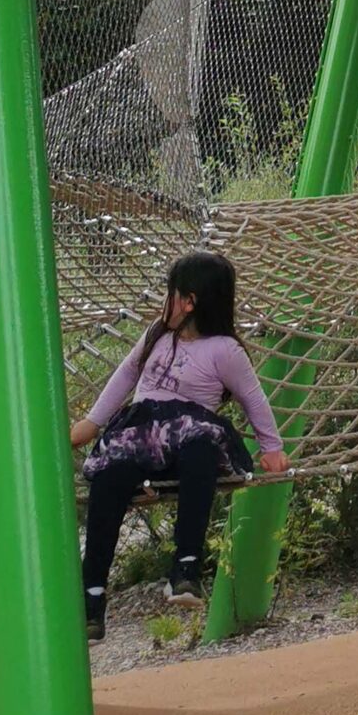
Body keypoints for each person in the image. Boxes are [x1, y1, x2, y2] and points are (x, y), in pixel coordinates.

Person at [70, 250, 287, 638]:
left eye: (170, 293)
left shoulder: (224, 350)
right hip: (141, 438)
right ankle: (92, 596)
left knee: (201, 445)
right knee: (110, 473)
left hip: (186, 440)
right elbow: (125, 376)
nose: (164, 300)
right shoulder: (158, 333)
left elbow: (253, 398)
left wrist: (271, 448)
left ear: (189, 301)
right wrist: (91, 424)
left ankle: (185, 568)